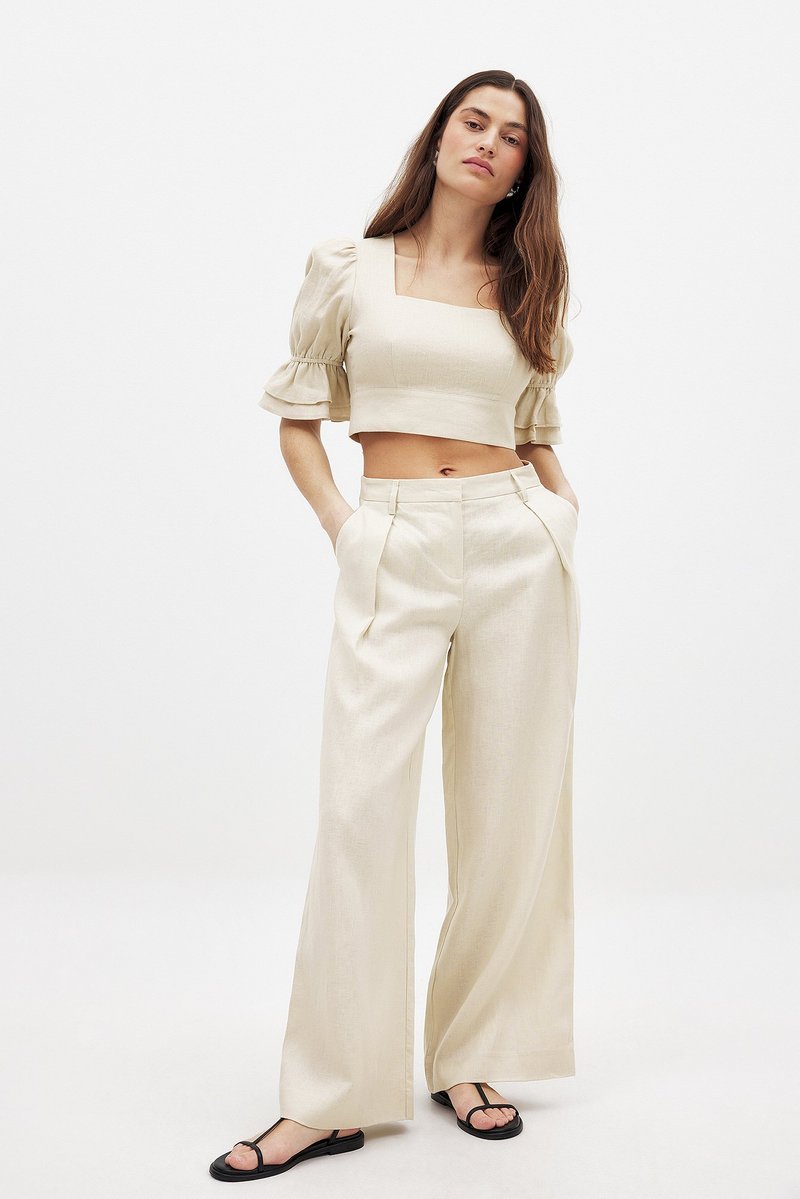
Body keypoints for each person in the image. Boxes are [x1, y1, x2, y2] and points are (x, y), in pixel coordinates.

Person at [209, 68, 581, 1182]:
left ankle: (469, 1054)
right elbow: (298, 418)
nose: (489, 142)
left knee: (508, 812)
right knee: (359, 812)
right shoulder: (351, 270)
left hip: (516, 541)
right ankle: (330, 1096)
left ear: (521, 172)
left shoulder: (526, 284)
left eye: (512, 136)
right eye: (474, 120)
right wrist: (347, 528)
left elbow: (536, 424)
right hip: (393, 536)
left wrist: (561, 515)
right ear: (438, 136)